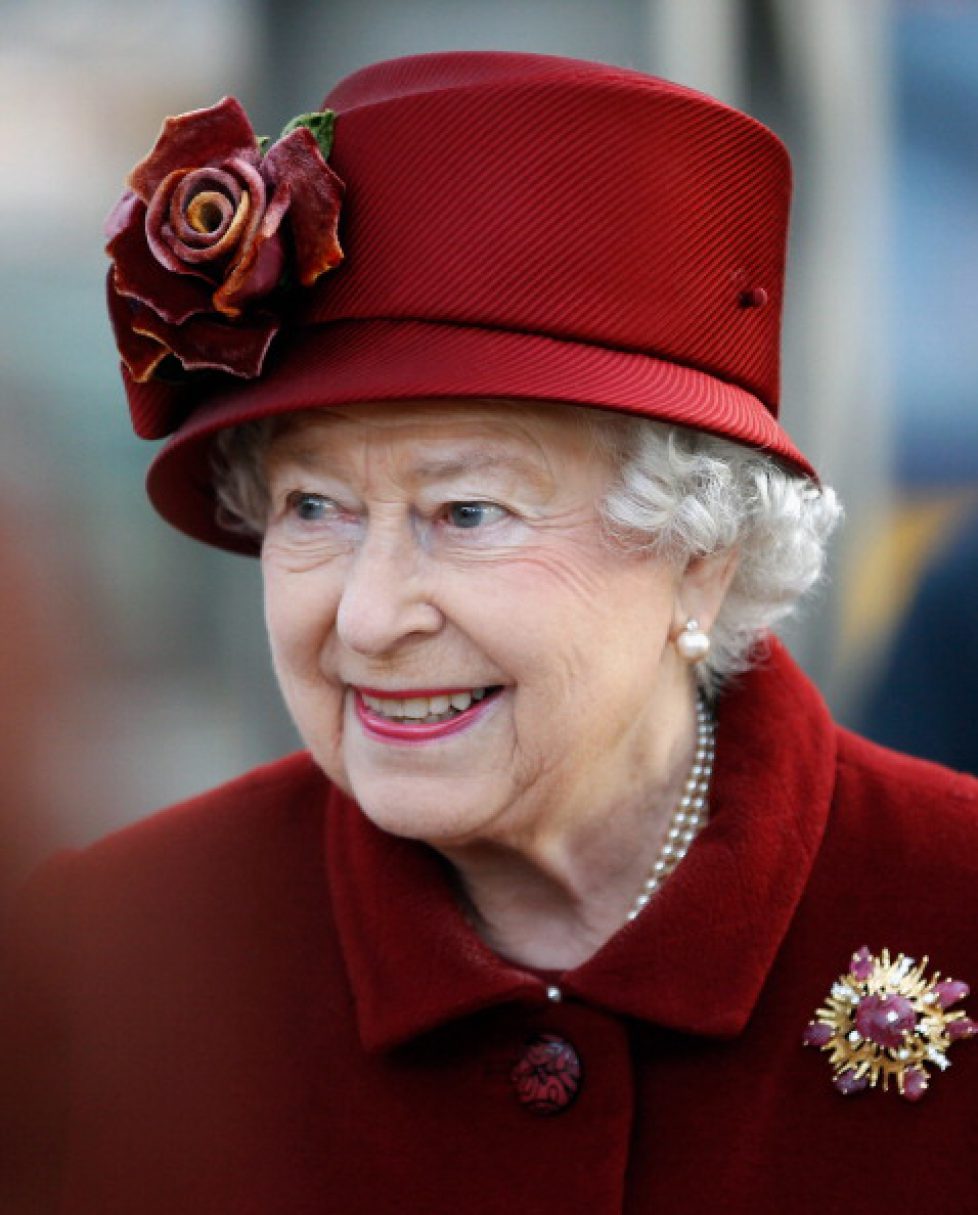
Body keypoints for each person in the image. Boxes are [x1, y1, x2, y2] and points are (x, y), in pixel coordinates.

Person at [3, 51, 977, 1215]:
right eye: (315, 508)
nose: (367, 616)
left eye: (468, 513)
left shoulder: (949, 895)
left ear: (700, 565)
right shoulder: (100, 955)